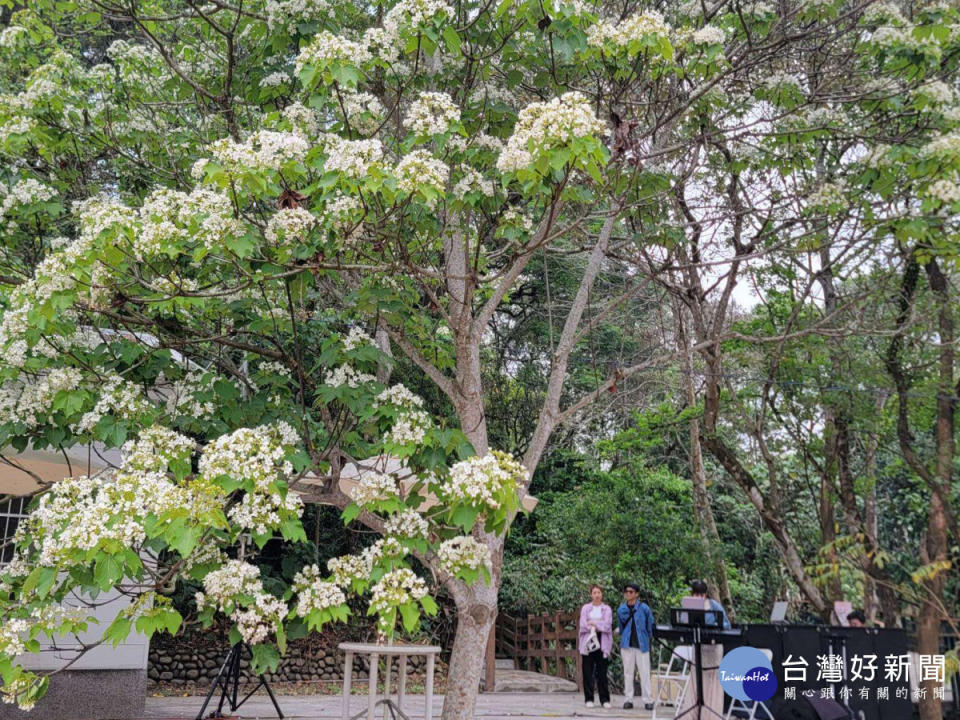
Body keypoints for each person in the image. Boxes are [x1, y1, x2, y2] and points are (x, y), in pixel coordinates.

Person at [676, 579, 730, 717]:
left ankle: (710, 715)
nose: (698, 597)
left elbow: (726, 624)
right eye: (696, 594)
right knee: (697, 678)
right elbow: (682, 621)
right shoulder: (689, 606)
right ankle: (693, 713)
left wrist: (715, 627)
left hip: (713, 648)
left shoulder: (714, 606)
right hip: (699, 648)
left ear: (705, 594)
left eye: (701, 594)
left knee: (712, 679)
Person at [617, 583, 655, 710]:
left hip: (642, 644)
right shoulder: (621, 609)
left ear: (637, 594)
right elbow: (621, 627)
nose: (628, 594)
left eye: (631, 592)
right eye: (626, 591)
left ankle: (648, 700)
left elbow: (650, 624)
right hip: (627, 644)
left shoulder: (644, 608)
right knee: (628, 672)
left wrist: (647, 637)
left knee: (644, 672)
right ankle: (628, 699)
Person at [578, 584, 613, 709]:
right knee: (587, 671)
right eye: (594, 592)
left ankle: (605, 699)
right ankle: (589, 698)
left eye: (599, 592)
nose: (597, 595)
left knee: (602, 671)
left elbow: (607, 626)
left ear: (602, 594)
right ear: (591, 594)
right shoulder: (586, 608)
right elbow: (583, 625)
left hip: (602, 641)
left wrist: (593, 623)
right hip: (588, 640)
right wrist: (598, 625)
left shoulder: (607, 609)